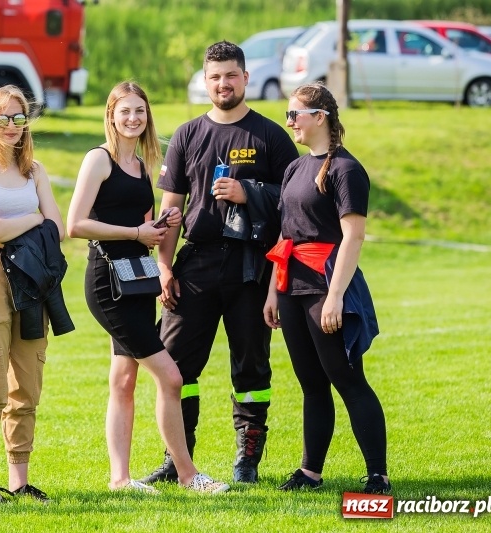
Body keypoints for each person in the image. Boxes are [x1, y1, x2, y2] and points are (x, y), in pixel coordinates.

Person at [141, 41, 299, 485]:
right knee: (174, 365)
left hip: (252, 266)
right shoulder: (189, 135)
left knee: (250, 366)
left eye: (231, 75)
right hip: (197, 264)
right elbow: (170, 209)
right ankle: (179, 458)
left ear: (245, 78)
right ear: (205, 81)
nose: (223, 84)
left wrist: (250, 193)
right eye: (215, 77)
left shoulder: (270, 136)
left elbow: (294, 209)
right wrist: (165, 267)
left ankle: (247, 459)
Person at [67, 81, 230, 495]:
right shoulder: (98, 160)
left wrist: (161, 226)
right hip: (107, 283)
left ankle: (120, 479)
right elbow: (75, 225)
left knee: (123, 380)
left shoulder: (141, 165)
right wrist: (136, 232)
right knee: (171, 377)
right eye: (125, 111)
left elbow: (144, 229)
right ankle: (189, 474)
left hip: (138, 282)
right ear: (111, 115)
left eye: (140, 111)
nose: (133, 118)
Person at [263, 83, 390, 494]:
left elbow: (353, 238)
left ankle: (377, 476)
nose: (289, 123)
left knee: (347, 378)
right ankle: (310, 472)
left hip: (326, 286)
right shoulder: (295, 169)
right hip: (291, 286)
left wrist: (335, 296)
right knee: (311, 383)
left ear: (320, 117)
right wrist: (272, 292)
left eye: (294, 114)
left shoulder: (346, 170)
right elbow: (285, 235)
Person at [0, 85, 72, 504]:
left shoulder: (35, 170)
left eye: (19, 117)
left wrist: (28, 224)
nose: (12, 126)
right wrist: (31, 217)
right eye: (3, 118)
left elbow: (57, 228)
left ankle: (20, 480)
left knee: (26, 387)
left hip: (31, 283)